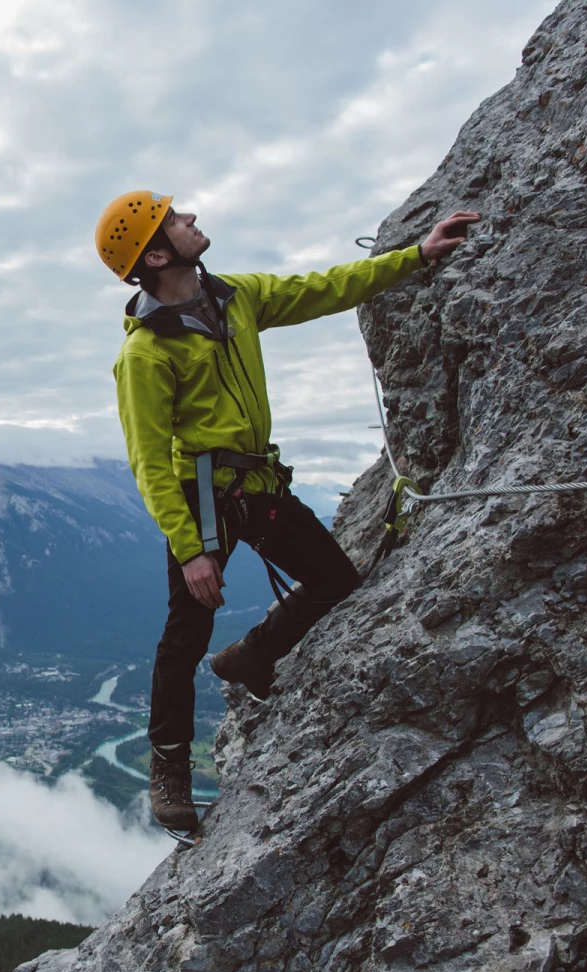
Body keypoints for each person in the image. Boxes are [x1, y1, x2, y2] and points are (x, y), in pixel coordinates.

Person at [96, 190, 479, 831]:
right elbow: (149, 461)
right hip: (204, 501)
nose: (191, 218)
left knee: (336, 582)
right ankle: (168, 772)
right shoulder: (145, 354)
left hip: (259, 487)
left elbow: (320, 289)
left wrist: (416, 257)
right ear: (157, 253)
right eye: (176, 219)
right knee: (183, 638)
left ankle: (251, 657)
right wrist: (190, 549)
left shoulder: (234, 297)